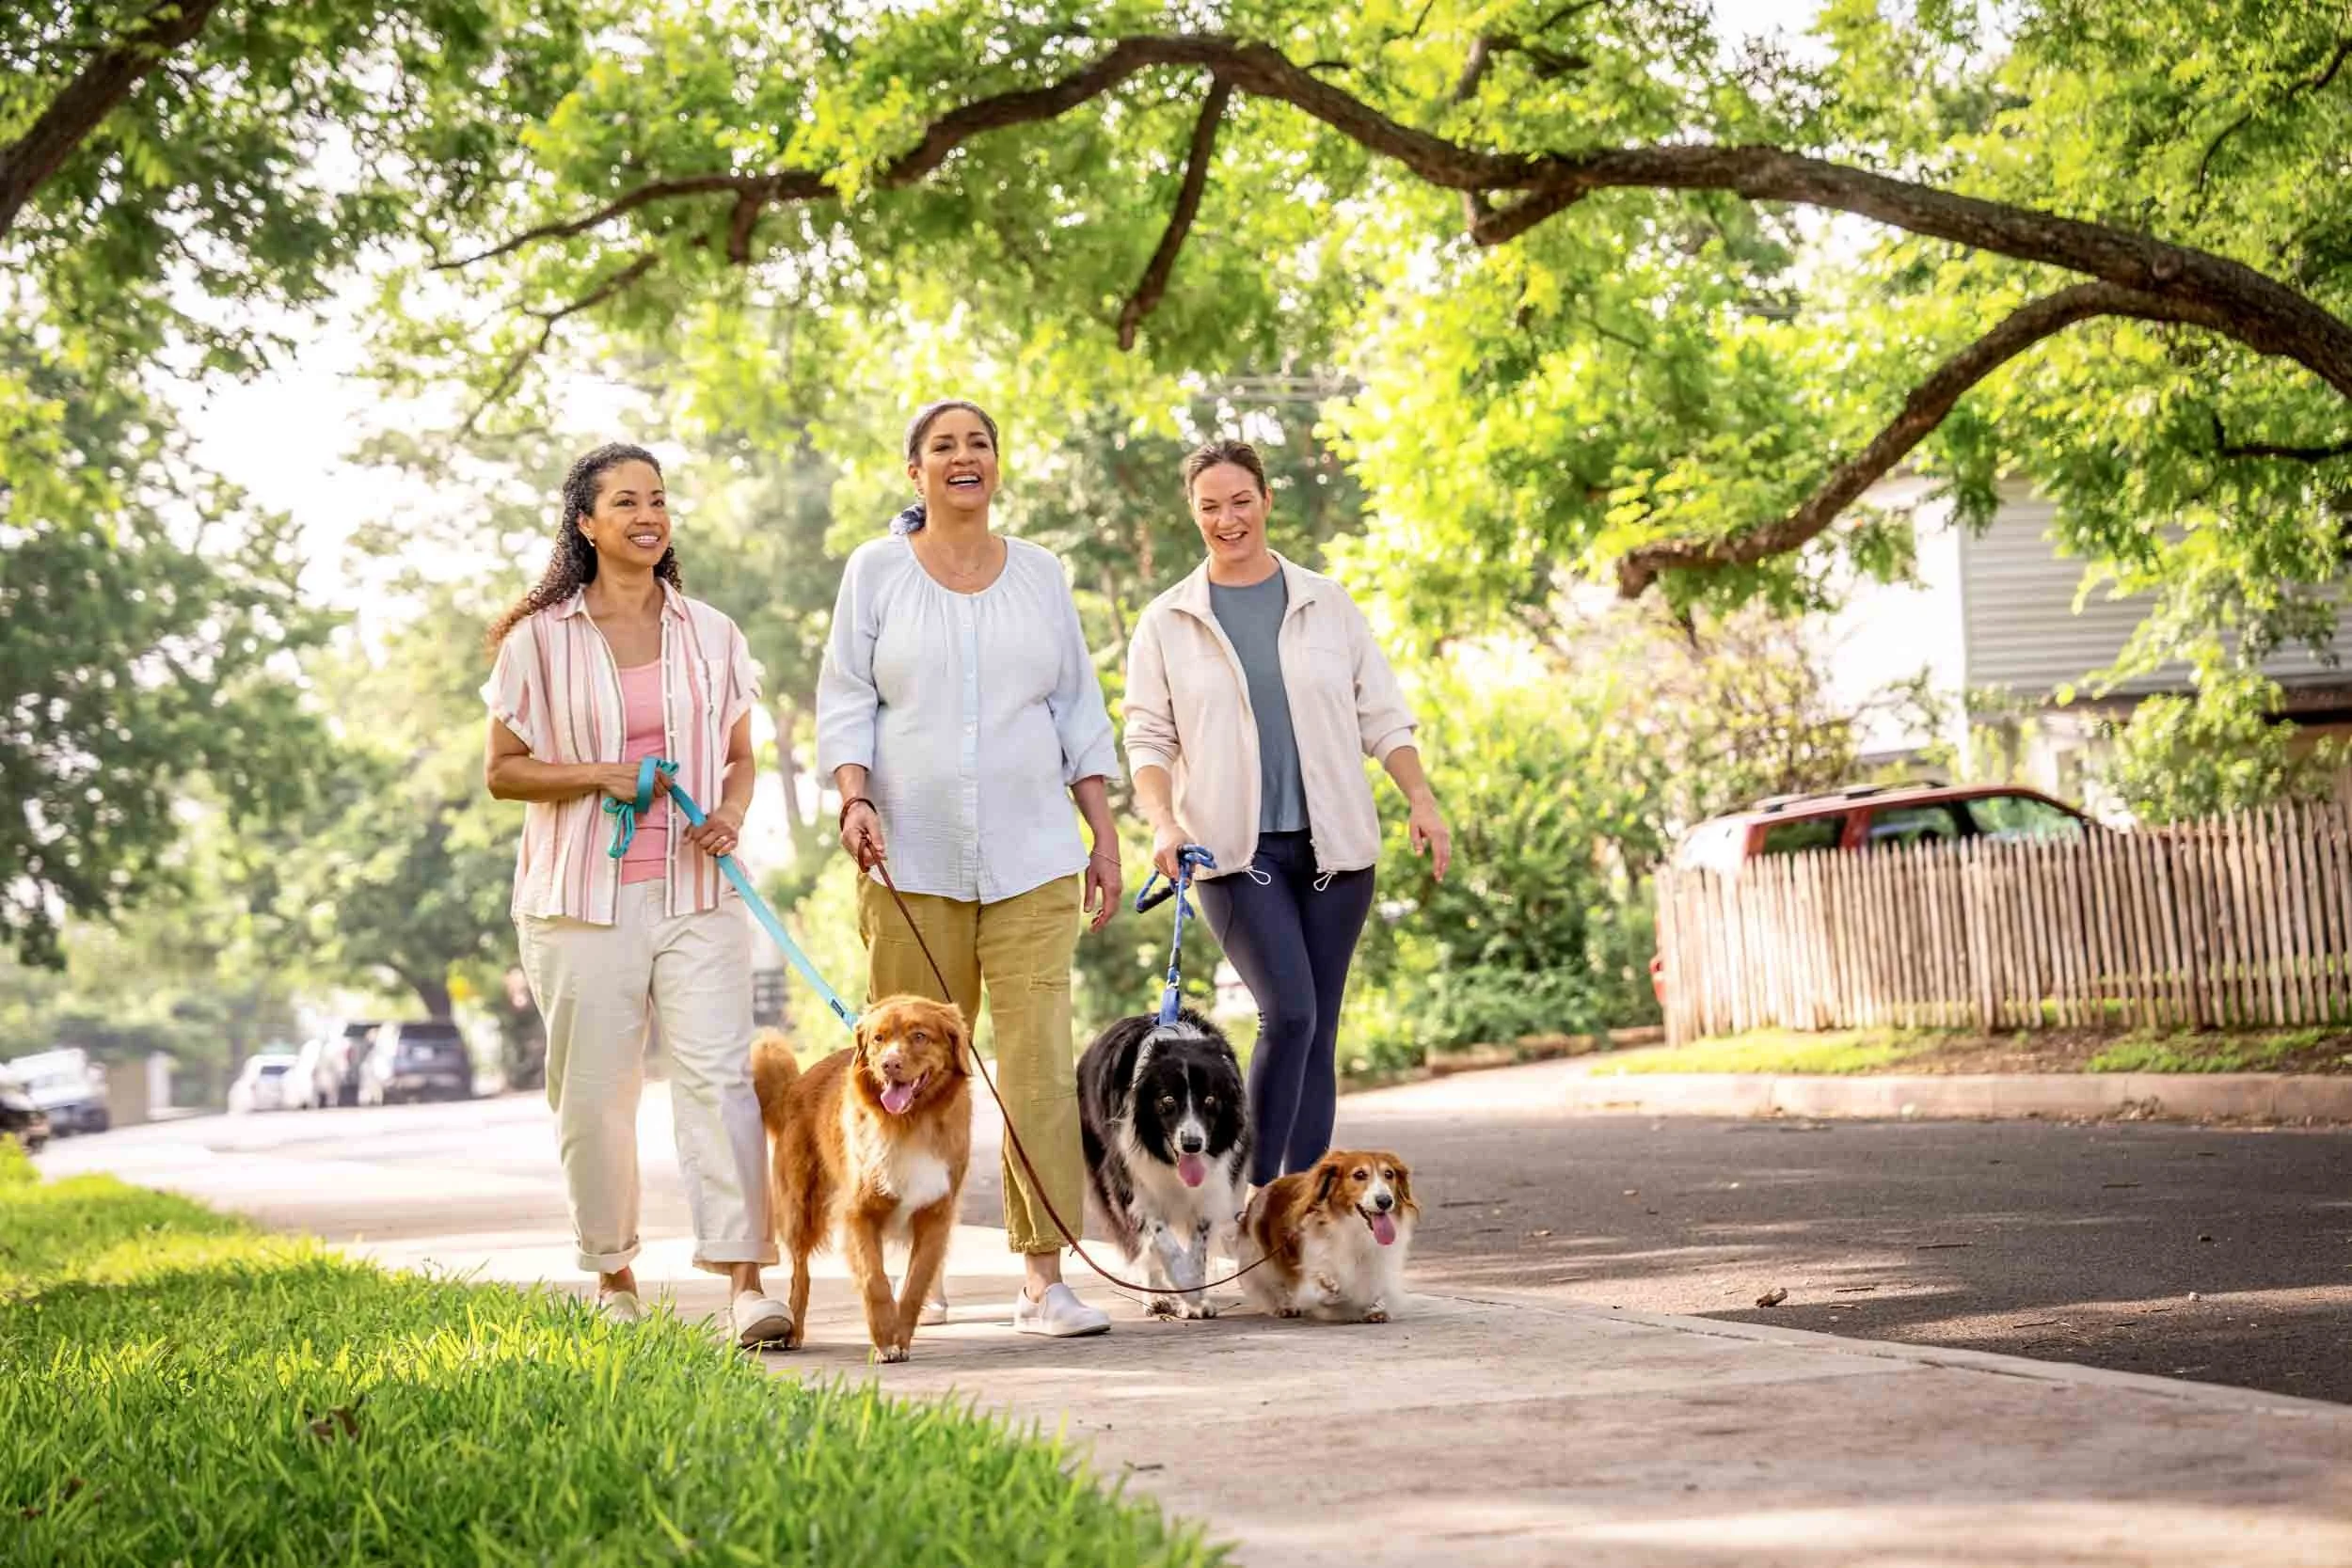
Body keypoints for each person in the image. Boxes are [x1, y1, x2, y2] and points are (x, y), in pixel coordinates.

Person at [816, 399, 1124, 1338]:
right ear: (915, 472)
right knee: (906, 1079)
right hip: (910, 858)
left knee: (1034, 1066)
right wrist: (854, 796)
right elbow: (845, 699)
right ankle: (921, 1263)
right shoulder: (873, 572)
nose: (963, 457)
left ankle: (1044, 1279)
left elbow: (1077, 708)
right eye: (943, 446)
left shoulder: (1040, 575)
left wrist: (1103, 833)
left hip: (1034, 854)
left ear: (996, 466)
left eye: (978, 443)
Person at [482, 441, 793, 1347]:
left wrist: (731, 812)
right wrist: (600, 775)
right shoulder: (538, 641)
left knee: (718, 1080)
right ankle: (614, 1275)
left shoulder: (713, 632)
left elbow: (741, 755)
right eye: (625, 501)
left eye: (657, 499)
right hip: (579, 898)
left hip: (697, 890)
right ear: (585, 523)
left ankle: (745, 1282)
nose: (647, 514)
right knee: (595, 1092)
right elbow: (502, 773)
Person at [1123, 438, 1453, 1193]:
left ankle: (1301, 1214)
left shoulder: (1325, 601)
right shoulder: (1168, 620)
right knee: (1291, 1016)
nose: (1227, 518)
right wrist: (1164, 822)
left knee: (1321, 1031)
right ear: (1192, 512)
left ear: (1267, 500)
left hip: (1337, 851)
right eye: (1210, 506)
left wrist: (1422, 801)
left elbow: (1384, 716)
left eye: (1241, 500)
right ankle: (1253, 1197)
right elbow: (1147, 735)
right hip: (1234, 855)